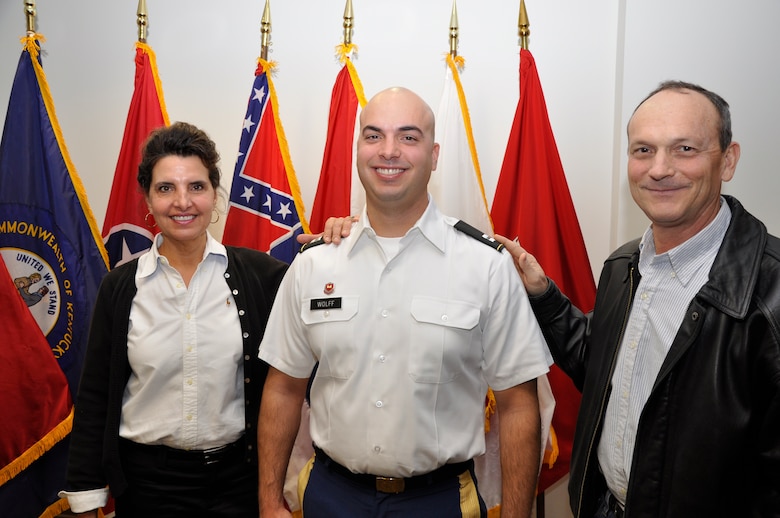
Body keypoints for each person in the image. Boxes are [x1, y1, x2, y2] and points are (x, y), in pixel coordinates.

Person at [257, 87, 551, 518]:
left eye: (408, 137)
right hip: (330, 496)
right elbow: (283, 388)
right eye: (373, 136)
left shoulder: (484, 265)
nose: (389, 151)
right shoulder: (313, 265)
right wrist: (268, 501)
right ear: (358, 149)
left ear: (434, 155)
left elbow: (519, 402)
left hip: (440, 501)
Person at [492, 81, 780, 518]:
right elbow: (604, 369)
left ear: (728, 160)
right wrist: (543, 295)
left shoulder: (772, 291)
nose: (660, 169)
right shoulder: (624, 265)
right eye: (643, 150)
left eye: (684, 149)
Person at [59, 122, 288, 517]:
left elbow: (317, 317)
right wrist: (85, 495)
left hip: (238, 483)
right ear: (147, 198)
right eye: (166, 188)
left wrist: (342, 237)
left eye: (196, 187)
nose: (183, 202)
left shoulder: (261, 276)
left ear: (214, 193)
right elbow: (96, 395)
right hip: (147, 488)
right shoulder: (120, 287)